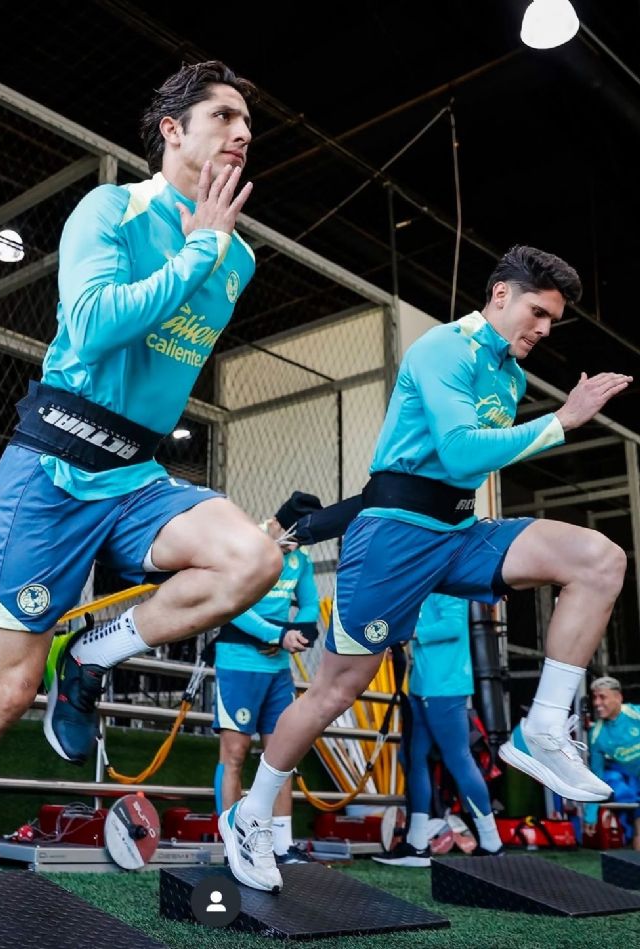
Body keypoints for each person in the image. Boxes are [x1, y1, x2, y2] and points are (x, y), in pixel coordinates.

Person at [0, 60, 285, 919]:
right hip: (52, 472)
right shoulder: (112, 210)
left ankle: (90, 657)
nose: (243, 133)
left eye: (249, 123)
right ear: (172, 130)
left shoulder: (240, 258)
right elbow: (93, 329)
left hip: (134, 475)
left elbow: (161, 367)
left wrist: (212, 250)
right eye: (223, 116)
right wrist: (198, 249)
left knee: (252, 559)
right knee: (2, 697)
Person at [219, 244, 632, 892]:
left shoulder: (511, 379)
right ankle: (250, 815)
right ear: (500, 294)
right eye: (538, 312)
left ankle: (544, 726)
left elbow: (471, 472)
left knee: (601, 559)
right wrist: (560, 421)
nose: (545, 329)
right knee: (335, 691)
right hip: (394, 536)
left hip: (461, 531)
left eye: (553, 320)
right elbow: (461, 451)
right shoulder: (444, 349)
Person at [213, 493, 321, 865]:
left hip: (278, 670)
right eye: (289, 539)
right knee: (235, 754)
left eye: (299, 542)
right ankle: (231, 845)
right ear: (275, 523)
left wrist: (297, 632)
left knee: (281, 755)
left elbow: (310, 604)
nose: (292, 548)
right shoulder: (246, 545)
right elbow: (234, 605)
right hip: (238, 663)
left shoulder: (300, 559)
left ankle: (281, 846)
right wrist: (276, 635)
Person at [373, 593, 503, 867]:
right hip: (422, 683)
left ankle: (492, 843)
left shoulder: (448, 583)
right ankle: (416, 844)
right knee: (412, 757)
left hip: (444, 685)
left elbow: (452, 626)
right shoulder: (425, 582)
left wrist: (410, 633)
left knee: (458, 758)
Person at [583, 675, 640, 849]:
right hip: (631, 783)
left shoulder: (636, 714)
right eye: (595, 698)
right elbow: (596, 777)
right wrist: (591, 815)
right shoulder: (597, 735)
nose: (597, 703)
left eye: (602, 697)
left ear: (618, 697)